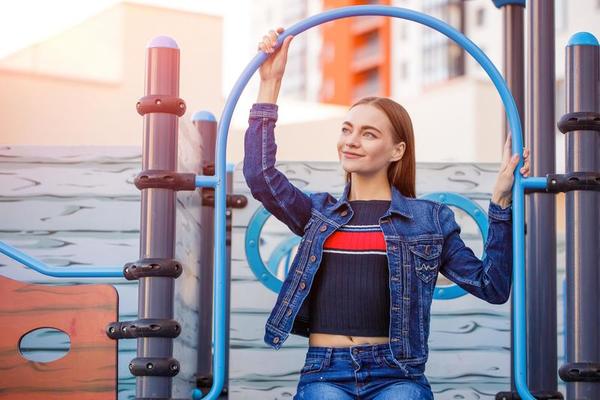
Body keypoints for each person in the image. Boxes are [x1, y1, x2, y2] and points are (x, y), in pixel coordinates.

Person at [243, 27, 531, 400]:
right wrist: (270, 84)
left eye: (368, 133)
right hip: (325, 370)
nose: (351, 140)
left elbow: (492, 286)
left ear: (397, 150)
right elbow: (260, 176)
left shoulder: (430, 220)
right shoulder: (318, 212)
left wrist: (501, 204)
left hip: (397, 374)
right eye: (347, 129)